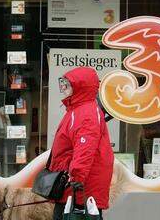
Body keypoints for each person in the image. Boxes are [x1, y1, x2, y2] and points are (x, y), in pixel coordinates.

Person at [49, 67, 114, 219]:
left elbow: (85, 150)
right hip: (75, 183)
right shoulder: (78, 109)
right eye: (63, 83)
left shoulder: (86, 113)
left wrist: (77, 179)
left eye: (68, 84)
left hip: (80, 185)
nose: (63, 87)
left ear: (81, 87)